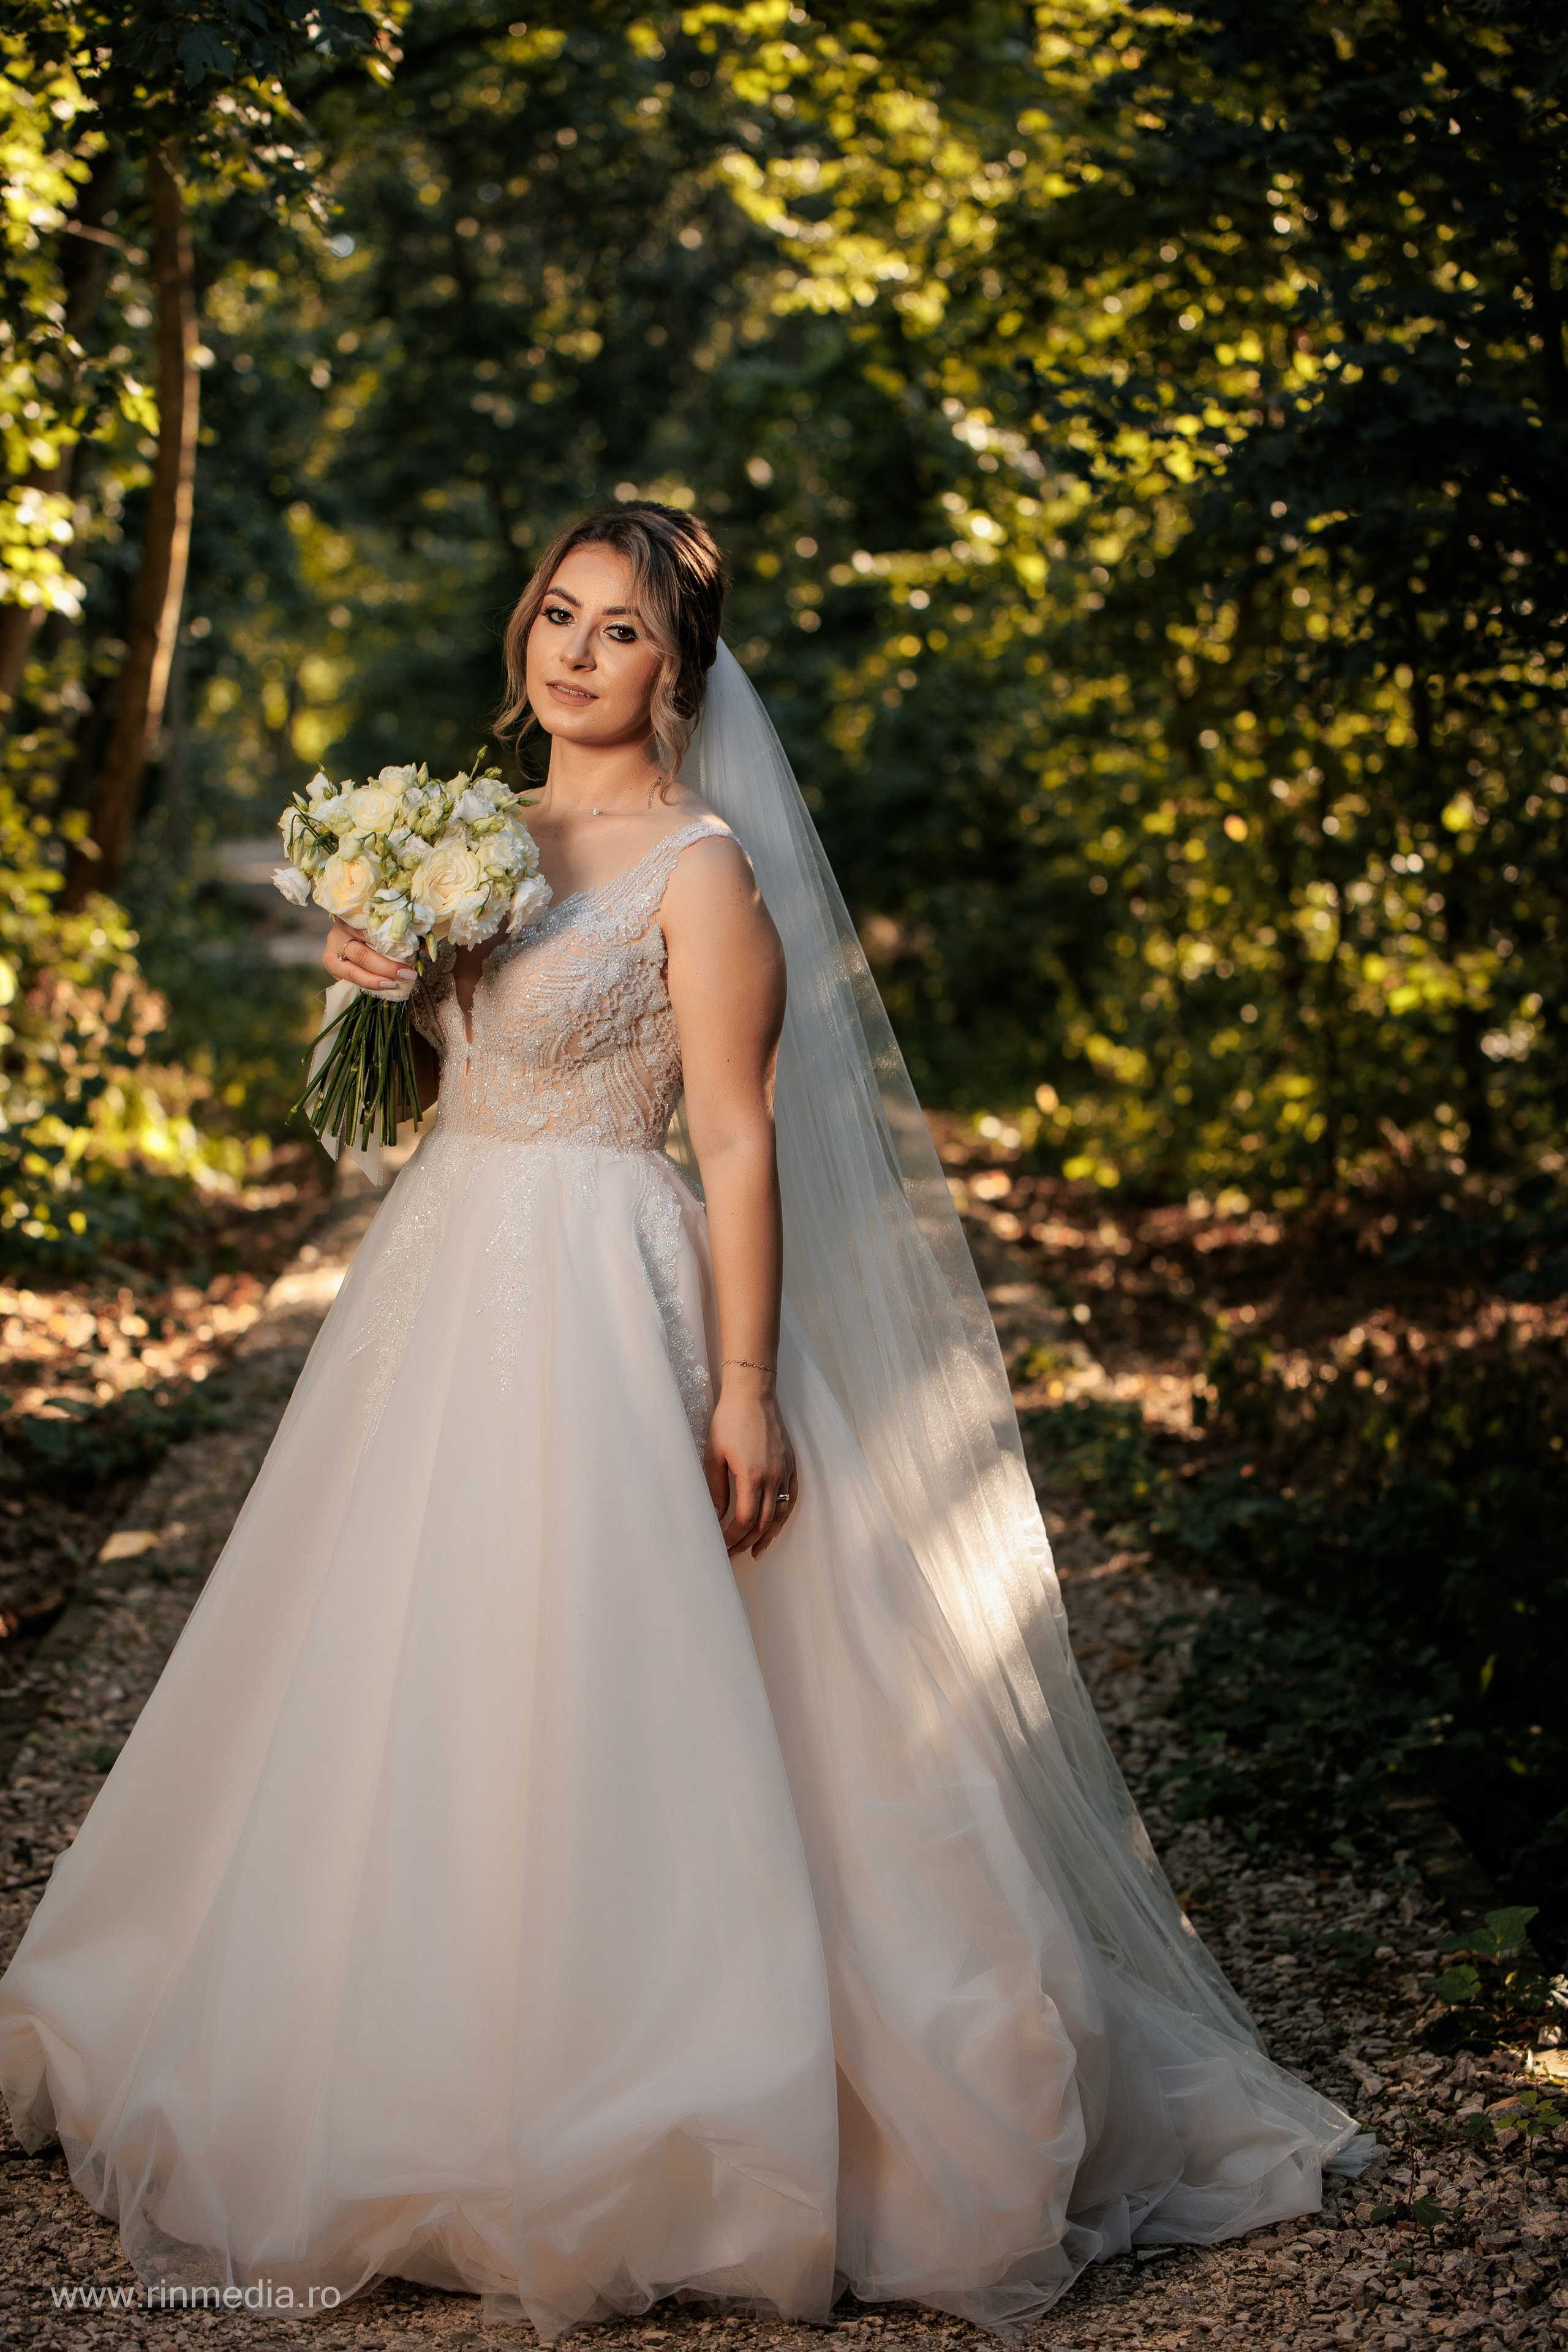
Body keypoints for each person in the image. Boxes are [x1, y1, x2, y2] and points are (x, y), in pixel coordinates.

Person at [0, 503, 1369, 2340]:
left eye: (621, 630)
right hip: (440, 1284)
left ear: (681, 667)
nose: (575, 654)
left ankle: (656, 2096)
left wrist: (740, 1391)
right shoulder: (471, 835)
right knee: (406, 1667)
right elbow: (431, 1098)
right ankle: (397, 2045)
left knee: (623, 1675)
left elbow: (732, 1139)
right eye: (557, 615)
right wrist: (384, 992)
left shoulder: (700, 872)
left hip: (611, 1291)